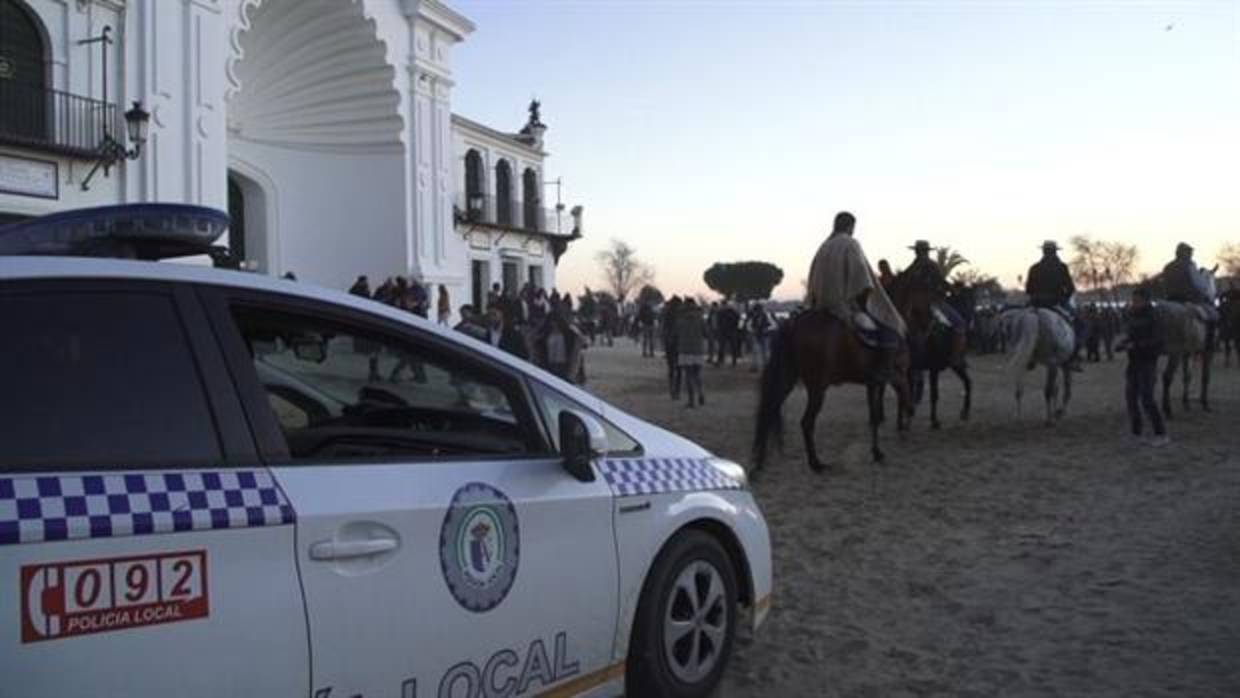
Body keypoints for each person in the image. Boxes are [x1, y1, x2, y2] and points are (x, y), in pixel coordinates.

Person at [805, 211, 906, 381]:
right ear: (850, 226)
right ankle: (882, 369)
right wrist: (865, 303)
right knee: (886, 329)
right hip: (842, 307)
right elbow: (862, 277)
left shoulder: (823, 246)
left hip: (820, 306)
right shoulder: (851, 244)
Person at [1116, 287, 1168, 447]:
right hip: (1134, 362)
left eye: (1136, 300)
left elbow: (1158, 341)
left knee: (1147, 398)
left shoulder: (1154, 317)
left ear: (1145, 300)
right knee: (1131, 398)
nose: (1134, 303)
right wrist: (1122, 344)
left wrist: (1136, 345)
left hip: (1148, 362)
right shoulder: (1132, 316)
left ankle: (1161, 433)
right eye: (1133, 300)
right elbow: (1131, 335)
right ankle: (1136, 432)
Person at [1025, 240, 1082, 368]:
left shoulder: (1034, 268)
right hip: (1056, 302)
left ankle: (1026, 355)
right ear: (1055, 251)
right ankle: (1073, 356)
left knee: (1021, 321)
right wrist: (1063, 298)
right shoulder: (1062, 267)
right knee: (1080, 323)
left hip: (1036, 303)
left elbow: (1028, 289)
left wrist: (1036, 296)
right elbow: (1070, 288)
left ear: (1043, 251)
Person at [904, 240, 965, 330]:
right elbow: (941, 281)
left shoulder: (911, 268)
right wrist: (954, 291)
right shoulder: (931, 265)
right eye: (922, 251)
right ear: (926, 252)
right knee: (959, 323)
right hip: (932, 301)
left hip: (910, 301)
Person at [676, 298, 708, 408]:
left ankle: (691, 400)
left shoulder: (681, 319)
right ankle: (701, 393)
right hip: (698, 349)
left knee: (688, 375)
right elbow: (706, 332)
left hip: (685, 349)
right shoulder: (700, 318)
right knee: (697, 374)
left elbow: (676, 333)